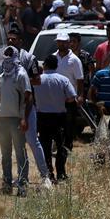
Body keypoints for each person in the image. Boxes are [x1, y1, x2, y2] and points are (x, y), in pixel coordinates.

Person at [0, 47, 32, 197]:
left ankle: (22, 185)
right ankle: (7, 185)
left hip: (16, 120)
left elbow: (28, 98)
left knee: (20, 153)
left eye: (9, 54)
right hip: (3, 120)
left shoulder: (21, 75)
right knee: (5, 154)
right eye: (5, 55)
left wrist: (24, 118)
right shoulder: (2, 76)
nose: (7, 57)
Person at [7, 26, 48, 180]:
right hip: (10, 107)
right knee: (17, 144)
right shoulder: (5, 57)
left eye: (14, 39)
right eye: (9, 39)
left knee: (32, 141)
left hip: (27, 105)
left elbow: (37, 81)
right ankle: (22, 176)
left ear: (20, 41)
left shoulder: (29, 58)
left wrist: (20, 82)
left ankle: (45, 176)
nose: (11, 41)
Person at [35, 55, 77, 184]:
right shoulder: (63, 80)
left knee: (45, 146)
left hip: (42, 117)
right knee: (61, 146)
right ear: (57, 66)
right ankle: (61, 173)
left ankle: (48, 173)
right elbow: (71, 97)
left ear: (44, 65)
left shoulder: (37, 80)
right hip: (59, 117)